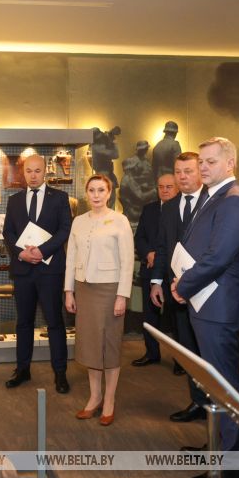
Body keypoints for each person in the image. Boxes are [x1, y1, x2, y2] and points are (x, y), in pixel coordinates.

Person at [171, 137, 239, 478]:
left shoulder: (234, 201)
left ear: (230, 163)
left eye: (210, 161)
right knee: (214, 386)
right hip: (203, 302)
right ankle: (217, 447)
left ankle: (231, 468)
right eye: (201, 162)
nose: (203, 167)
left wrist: (183, 285)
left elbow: (218, 257)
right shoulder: (213, 195)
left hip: (217, 306)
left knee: (226, 389)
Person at [64, 175, 133, 425]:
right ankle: (95, 398)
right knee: (90, 346)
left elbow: (127, 261)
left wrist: (122, 296)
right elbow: (71, 258)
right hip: (84, 289)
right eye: (92, 190)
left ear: (109, 193)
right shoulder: (78, 221)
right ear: (86, 193)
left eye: (101, 190)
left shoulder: (120, 221)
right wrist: (69, 291)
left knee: (110, 346)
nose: (96, 195)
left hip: (110, 290)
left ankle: (110, 400)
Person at [2, 154, 72, 394]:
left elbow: (65, 230)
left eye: (37, 171)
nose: (33, 175)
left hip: (50, 271)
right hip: (23, 271)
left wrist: (42, 251)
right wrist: (21, 253)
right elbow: (8, 232)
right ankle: (22, 370)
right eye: (29, 171)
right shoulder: (14, 200)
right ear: (24, 173)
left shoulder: (60, 198)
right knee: (23, 322)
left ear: (45, 172)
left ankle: (60, 373)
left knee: (55, 322)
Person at [150, 152, 208, 421]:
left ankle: (220, 411)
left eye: (188, 171)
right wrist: (156, 282)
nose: (182, 177)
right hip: (177, 293)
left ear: (201, 172)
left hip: (208, 293)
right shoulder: (170, 207)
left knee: (210, 353)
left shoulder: (213, 203)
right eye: (178, 171)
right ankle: (198, 402)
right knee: (188, 350)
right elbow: (163, 247)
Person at [132, 172, 178, 368]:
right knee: (150, 316)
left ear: (177, 188)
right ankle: (152, 353)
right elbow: (139, 238)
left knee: (176, 319)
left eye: (169, 187)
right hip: (150, 270)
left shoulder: (182, 209)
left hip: (174, 273)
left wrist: (160, 256)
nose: (164, 190)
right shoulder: (149, 209)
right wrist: (148, 253)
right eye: (161, 187)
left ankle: (181, 361)